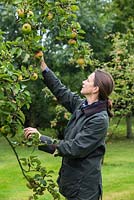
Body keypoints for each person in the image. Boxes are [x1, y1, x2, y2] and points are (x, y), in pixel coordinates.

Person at [24, 57, 114, 200]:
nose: (84, 81)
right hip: (74, 183)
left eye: (88, 80)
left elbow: (74, 148)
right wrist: (43, 66)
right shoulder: (83, 106)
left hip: (84, 190)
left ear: (95, 88)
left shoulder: (99, 120)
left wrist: (41, 139)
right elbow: (61, 91)